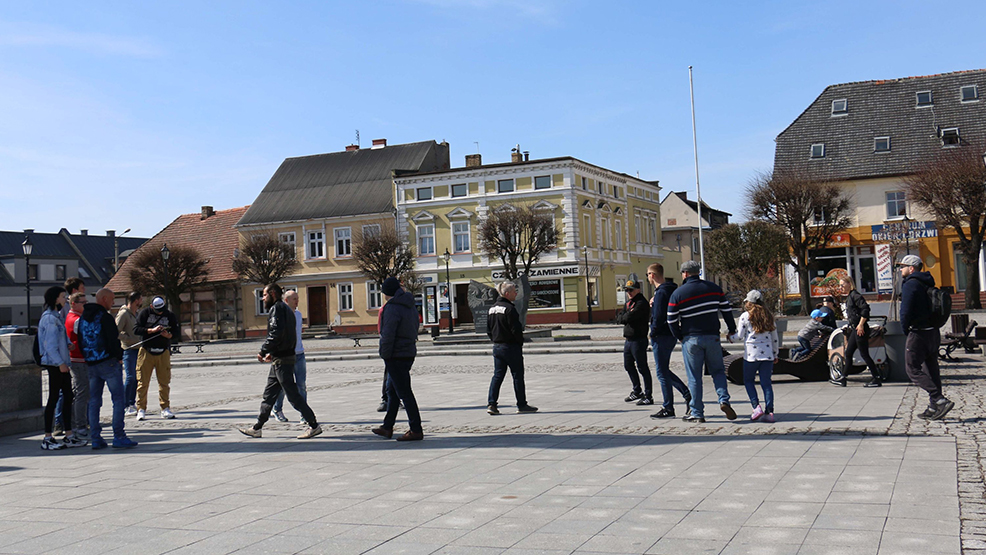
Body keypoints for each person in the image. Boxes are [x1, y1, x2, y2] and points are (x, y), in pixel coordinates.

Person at [239, 283, 322, 440]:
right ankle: (257, 427)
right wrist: (273, 351)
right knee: (269, 394)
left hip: (283, 361)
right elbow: (287, 335)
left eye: (264, 295)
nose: (263, 299)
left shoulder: (277, 309)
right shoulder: (287, 310)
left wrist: (264, 350)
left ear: (272, 293)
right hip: (280, 358)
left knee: (293, 395)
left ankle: (314, 425)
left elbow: (276, 333)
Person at [667, 260, 737, 423]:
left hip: (691, 338)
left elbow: (670, 320)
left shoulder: (678, 293)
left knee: (694, 377)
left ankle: (697, 412)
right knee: (718, 371)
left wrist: (679, 336)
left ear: (684, 273)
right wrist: (731, 329)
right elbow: (727, 311)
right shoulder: (714, 288)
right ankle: (724, 400)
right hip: (712, 336)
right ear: (698, 272)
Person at [78, 288, 137, 449]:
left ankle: (96, 437)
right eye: (111, 300)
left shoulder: (83, 318)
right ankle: (119, 435)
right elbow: (113, 340)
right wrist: (118, 357)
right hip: (108, 362)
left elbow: (80, 339)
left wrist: (88, 357)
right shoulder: (105, 317)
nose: (113, 303)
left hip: (91, 363)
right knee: (118, 400)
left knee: (94, 401)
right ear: (104, 299)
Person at [898, 255, 954, 420]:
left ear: (912, 268)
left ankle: (938, 399)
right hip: (933, 332)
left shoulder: (911, 284)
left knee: (912, 368)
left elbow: (905, 310)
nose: (900, 269)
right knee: (931, 369)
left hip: (918, 332)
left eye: (903, 266)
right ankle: (933, 407)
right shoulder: (927, 282)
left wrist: (905, 329)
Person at [372, 277, 424, 441]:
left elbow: (388, 334)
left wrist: (384, 354)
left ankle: (416, 429)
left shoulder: (392, 308)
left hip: (395, 354)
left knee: (404, 392)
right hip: (408, 351)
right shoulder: (409, 305)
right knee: (393, 391)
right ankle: (387, 427)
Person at [38, 286, 87, 450]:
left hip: (62, 364)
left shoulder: (56, 316)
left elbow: (60, 339)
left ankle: (69, 435)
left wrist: (67, 345)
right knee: (53, 399)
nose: (65, 299)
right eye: (62, 296)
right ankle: (47, 437)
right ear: (54, 299)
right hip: (55, 365)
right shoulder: (50, 319)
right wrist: (60, 363)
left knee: (68, 396)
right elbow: (49, 346)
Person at [486, 281, 538, 415]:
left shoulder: (492, 309)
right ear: (507, 294)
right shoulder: (510, 309)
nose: (516, 293)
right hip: (511, 347)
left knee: (497, 376)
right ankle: (522, 405)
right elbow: (516, 329)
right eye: (514, 291)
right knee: (517, 376)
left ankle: (492, 404)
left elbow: (488, 330)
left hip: (497, 347)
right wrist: (519, 343)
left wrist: (495, 340)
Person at [647, 264, 690, 418]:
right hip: (671, 334)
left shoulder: (661, 293)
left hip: (661, 335)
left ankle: (671, 405)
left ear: (652, 275)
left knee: (661, 372)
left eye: (648, 275)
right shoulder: (671, 290)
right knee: (663, 370)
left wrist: (652, 332)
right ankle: (679, 400)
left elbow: (658, 317)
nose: (648, 278)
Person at [728, 291, 779, 422]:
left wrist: (730, 338)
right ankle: (770, 411)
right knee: (766, 383)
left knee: (749, 380)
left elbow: (739, 336)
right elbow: (774, 338)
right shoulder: (769, 316)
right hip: (767, 354)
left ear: (749, 302)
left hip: (751, 355)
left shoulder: (745, 316)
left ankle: (756, 406)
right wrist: (775, 353)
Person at [133, 296, 179, 420]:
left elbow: (176, 332)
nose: (160, 312)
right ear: (152, 307)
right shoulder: (145, 313)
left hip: (163, 351)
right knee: (142, 382)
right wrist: (151, 330)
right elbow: (136, 329)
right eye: (158, 310)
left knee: (164, 382)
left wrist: (168, 335)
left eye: (162, 310)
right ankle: (141, 409)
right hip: (146, 351)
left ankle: (165, 408)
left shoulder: (169, 315)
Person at [832, 276, 882, 387]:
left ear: (849, 284)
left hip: (860, 329)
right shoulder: (850, 296)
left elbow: (865, 310)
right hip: (855, 329)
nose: (841, 287)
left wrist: (860, 325)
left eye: (842, 285)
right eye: (840, 285)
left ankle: (876, 378)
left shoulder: (856, 296)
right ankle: (843, 378)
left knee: (864, 354)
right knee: (848, 352)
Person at [54, 276, 85, 435]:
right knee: (65, 391)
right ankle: (61, 423)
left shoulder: (67, 308)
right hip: (68, 356)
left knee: (70, 390)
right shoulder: (65, 309)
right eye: (82, 288)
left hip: (69, 354)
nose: (84, 291)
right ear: (75, 290)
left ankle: (68, 421)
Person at [616, 275, 653, 405]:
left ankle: (648, 395)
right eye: (627, 290)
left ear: (638, 290)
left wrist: (624, 316)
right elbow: (619, 317)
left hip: (639, 339)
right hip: (629, 339)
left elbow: (628, 318)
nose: (629, 293)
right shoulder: (628, 303)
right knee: (628, 365)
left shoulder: (641, 303)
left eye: (631, 290)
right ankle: (637, 390)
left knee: (642, 367)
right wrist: (624, 316)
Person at [272, 290, 307, 424]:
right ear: (286, 301)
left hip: (299, 354)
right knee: (283, 385)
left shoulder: (298, 315)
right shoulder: (280, 315)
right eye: (294, 299)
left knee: (301, 385)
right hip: (285, 356)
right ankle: (277, 409)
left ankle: (304, 413)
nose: (297, 301)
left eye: (297, 299)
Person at [64, 292, 90, 439]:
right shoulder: (76, 319)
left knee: (82, 392)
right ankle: (80, 425)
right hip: (79, 360)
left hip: (79, 359)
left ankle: (79, 423)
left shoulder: (73, 317)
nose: (85, 305)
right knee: (82, 393)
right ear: (74, 303)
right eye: (83, 303)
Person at [116, 291, 142, 416]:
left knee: (137, 378)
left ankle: (132, 402)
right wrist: (128, 339)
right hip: (128, 349)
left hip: (138, 349)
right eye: (140, 299)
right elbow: (116, 331)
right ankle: (125, 404)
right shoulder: (123, 314)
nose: (141, 302)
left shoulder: (135, 314)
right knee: (130, 377)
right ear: (136, 300)